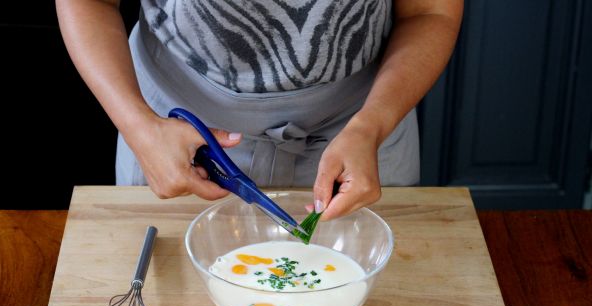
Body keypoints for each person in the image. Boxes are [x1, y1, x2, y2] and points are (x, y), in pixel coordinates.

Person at [56, 0, 463, 220]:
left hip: (360, 132)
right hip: (175, 135)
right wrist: (139, 126)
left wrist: (370, 127)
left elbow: (429, 12)